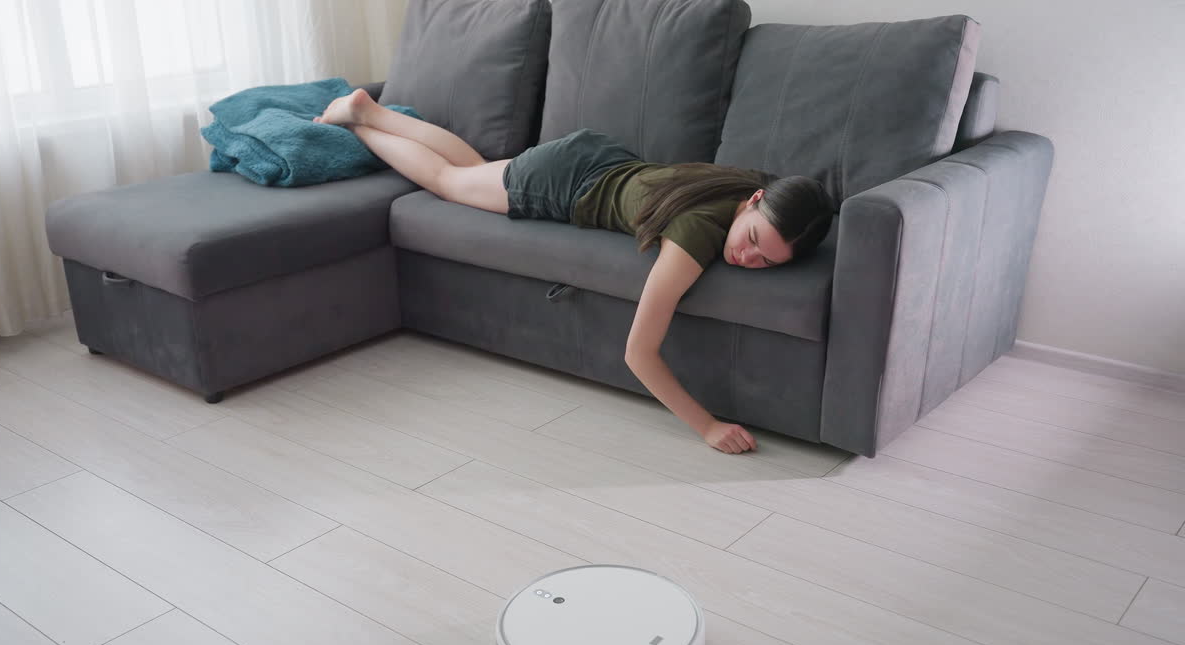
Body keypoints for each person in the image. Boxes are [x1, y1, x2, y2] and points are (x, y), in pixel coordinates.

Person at [315, 89, 834, 454]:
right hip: (562, 183)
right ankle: (362, 126)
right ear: (755, 201)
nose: (747, 260)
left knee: (474, 171)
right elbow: (639, 352)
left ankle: (370, 110)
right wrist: (707, 427)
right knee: (449, 183)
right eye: (751, 242)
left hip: (594, 155)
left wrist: (762, 240)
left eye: (767, 263)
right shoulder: (699, 231)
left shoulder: (746, 184)